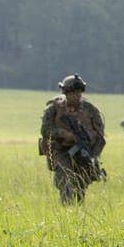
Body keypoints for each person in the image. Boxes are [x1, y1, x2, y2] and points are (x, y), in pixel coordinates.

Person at [39, 74, 107, 205]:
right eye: (73, 93)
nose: (77, 96)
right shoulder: (54, 108)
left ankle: (77, 212)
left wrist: (90, 143)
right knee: (66, 180)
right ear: (66, 93)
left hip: (83, 153)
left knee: (81, 183)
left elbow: (100, 135)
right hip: (61, 151)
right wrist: (64, 134)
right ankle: (67, 210)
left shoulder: (90, 110)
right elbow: (45, 130)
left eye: (79, 93)